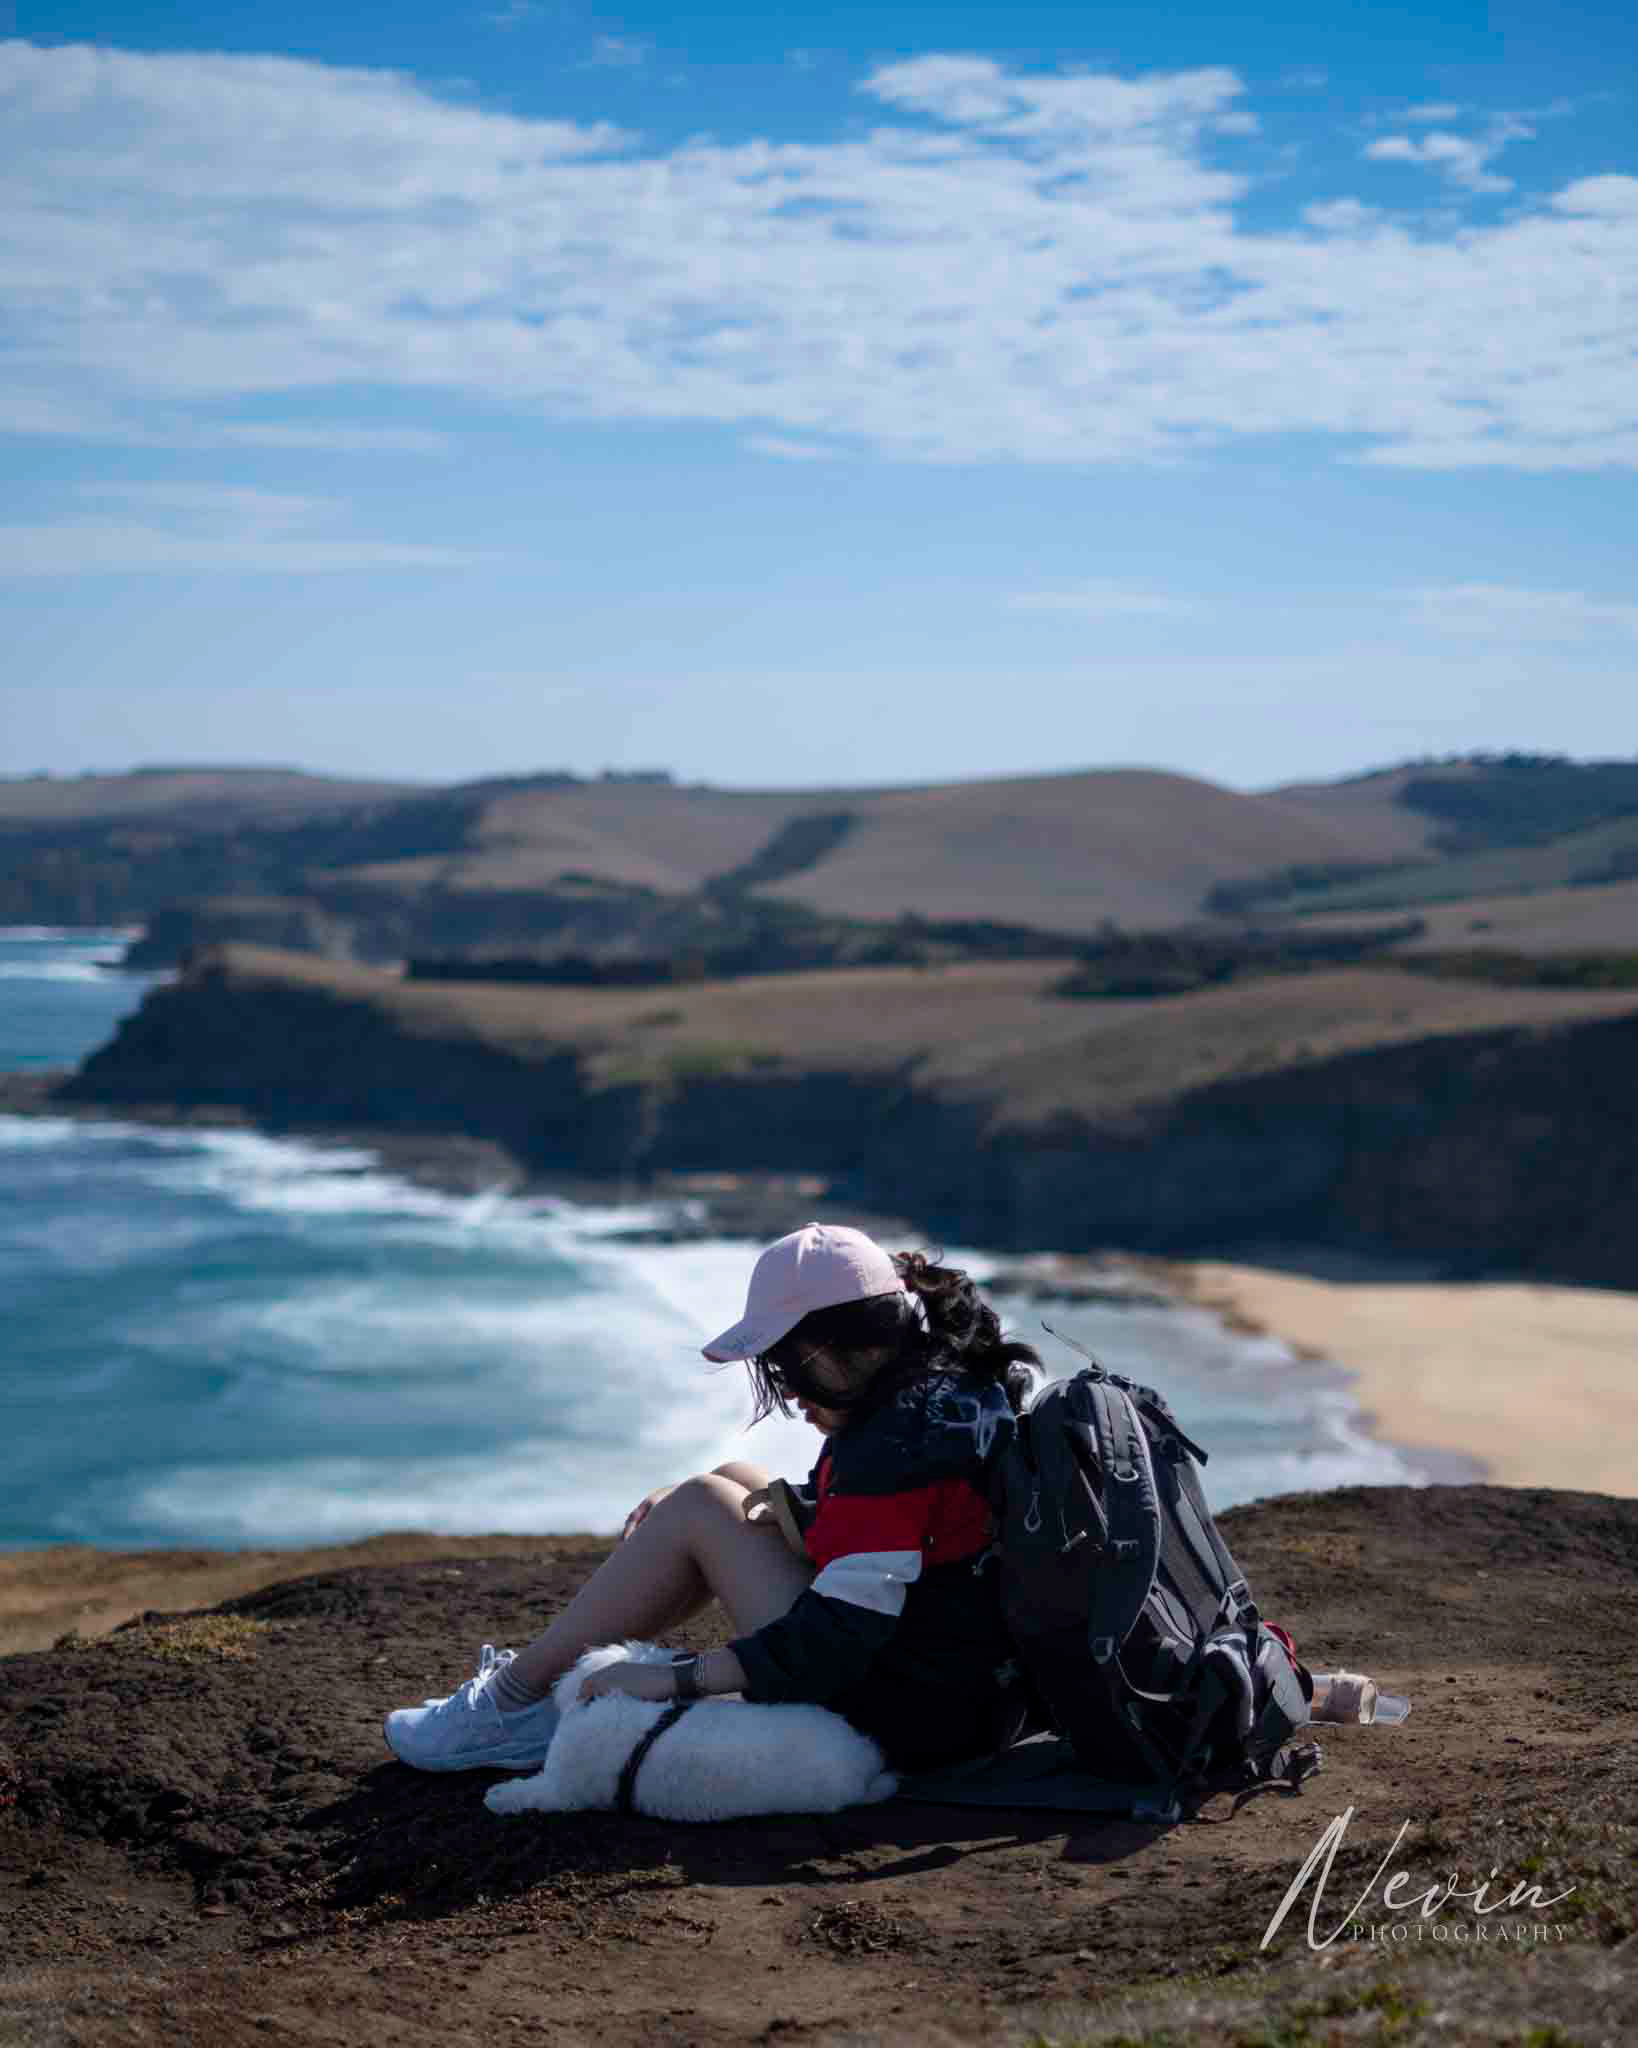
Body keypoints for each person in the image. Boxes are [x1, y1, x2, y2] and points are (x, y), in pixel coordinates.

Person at [383, 1222, 1044, 1777]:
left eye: (791, 1366)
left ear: (841, 1346)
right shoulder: (946, 1384)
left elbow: (838, 1639)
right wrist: (729, 1488)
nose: (788, 1392)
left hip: (916, 1720)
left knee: (703, 1503)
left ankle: (508, 1707)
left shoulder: (901, 1440)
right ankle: (523, 1703)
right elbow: (885, 1540)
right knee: (724, 1479)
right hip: (974, 1690)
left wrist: (680, 1680)